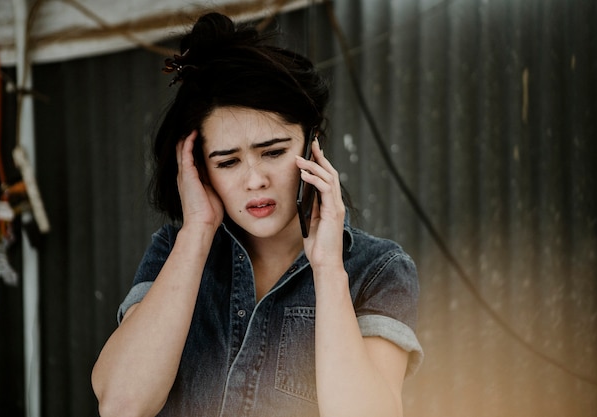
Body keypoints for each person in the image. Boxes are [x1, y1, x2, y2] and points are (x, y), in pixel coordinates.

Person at [91, 11, 423, 417]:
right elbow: (121, 405)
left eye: (273, 152)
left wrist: (328, 269)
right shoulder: (173, 254)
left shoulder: (379, 270)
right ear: (199, 169)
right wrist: (197, 232)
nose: (254, 181)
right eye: (228, 162)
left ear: (312, 145)